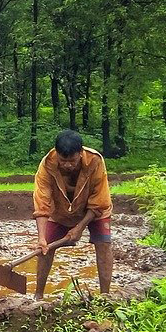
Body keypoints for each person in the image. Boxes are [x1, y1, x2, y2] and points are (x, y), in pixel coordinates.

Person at [32, 129, 113, 300]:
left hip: (94, 210)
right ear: (57, 155)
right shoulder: (47, 165)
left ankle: (105, 296)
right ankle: (38, 296)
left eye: (72, 161)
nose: (68, 165)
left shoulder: (95, 161)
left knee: (104, 243)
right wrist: (41, 238)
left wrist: (80, 227)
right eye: (63, 161)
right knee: (45, 248)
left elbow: (99, 200)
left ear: (80, 154)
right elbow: (42, 202)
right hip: (60, 210)